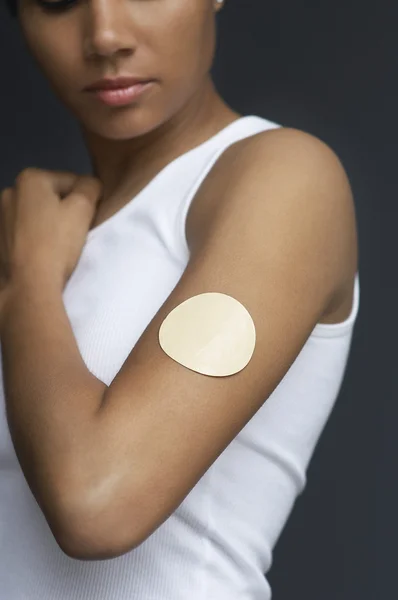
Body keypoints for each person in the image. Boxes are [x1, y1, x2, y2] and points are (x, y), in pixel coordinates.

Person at [0, 0, 360, 598]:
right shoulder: (39, 233)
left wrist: (28, 286)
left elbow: (98, 503)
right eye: (59, 1)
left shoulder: (283, 178)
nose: (105, 36)